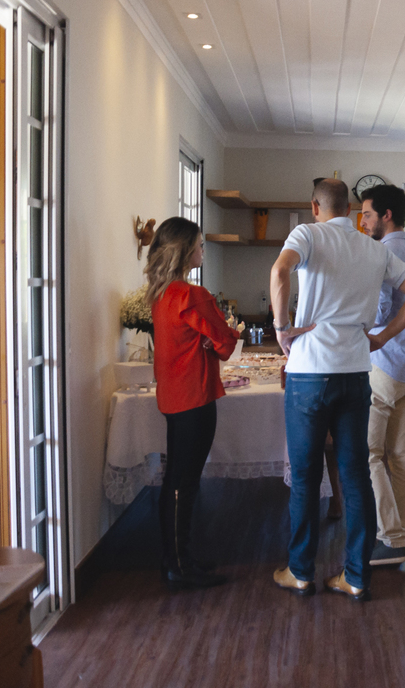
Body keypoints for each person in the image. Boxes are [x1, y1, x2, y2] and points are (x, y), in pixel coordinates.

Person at [271, 178, 405, 602]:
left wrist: (282, 328)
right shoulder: (373, 249)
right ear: (350, 210)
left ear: (315, 207)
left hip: (310, 372)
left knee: (306, 476)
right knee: (356, 473)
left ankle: (300, 571)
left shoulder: (307, 234)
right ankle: (356, 576)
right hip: (357, 371)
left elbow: (280, 271)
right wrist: (382, 337)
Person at [145, 217, 240, 589]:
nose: (203, 249)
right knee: (185, 482)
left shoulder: (161, 293)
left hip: (172, 395)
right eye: (200, 244)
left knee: (175, 479)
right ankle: (180, 566)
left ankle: (175, 558)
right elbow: (226, 344)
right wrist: (216, 340)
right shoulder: (192, 295)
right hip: (195, 395)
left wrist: (206, 341)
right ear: (185, 251)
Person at [358, 184, 405, 567]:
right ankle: (397, 537)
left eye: (367, 214)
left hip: (385, 366)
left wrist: (356, 319)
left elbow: (380, 309)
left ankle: (389, 536)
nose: (363, 221)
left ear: (386, 215)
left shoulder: (383, 252)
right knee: (403, 454)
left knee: (368, 453)